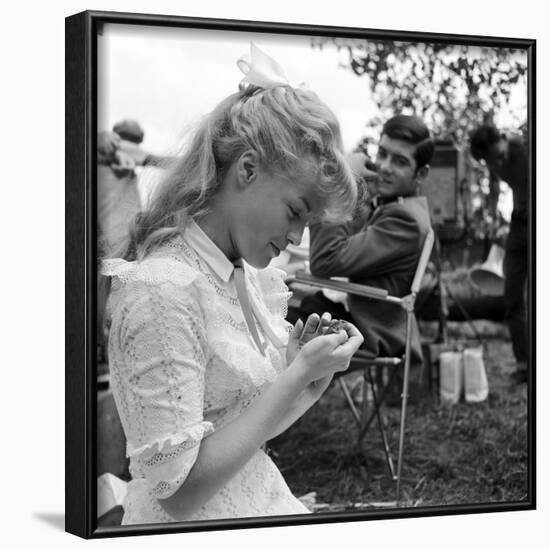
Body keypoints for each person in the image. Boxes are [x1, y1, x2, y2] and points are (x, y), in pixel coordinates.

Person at [100, 45, 363, 525]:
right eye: (295, 211)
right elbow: (177, 495)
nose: (296, 238)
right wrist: (295, 374)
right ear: (247, 169)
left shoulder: (241, 275)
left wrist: (308, 375)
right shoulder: (163, 291)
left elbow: (245, 435)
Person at [306, 115, 435, 378]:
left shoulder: (405, 220)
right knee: (290, 303)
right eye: (383, 154)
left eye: (399, 161)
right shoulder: (398, 206)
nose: (384, 167)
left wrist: (345, 182)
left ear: (421, 173)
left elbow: (326, 260)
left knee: (277, 319)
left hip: (371, 330)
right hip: (361, 315)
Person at [469, 125, 529, 383]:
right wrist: (493, 215)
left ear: (503, 139)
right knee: (513, 295)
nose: (496, 162)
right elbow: (494, 186)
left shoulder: (527, 147)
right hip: (519, 223)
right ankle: (525, 365)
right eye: (489, 160)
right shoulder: (493, 160)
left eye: (497, 155)